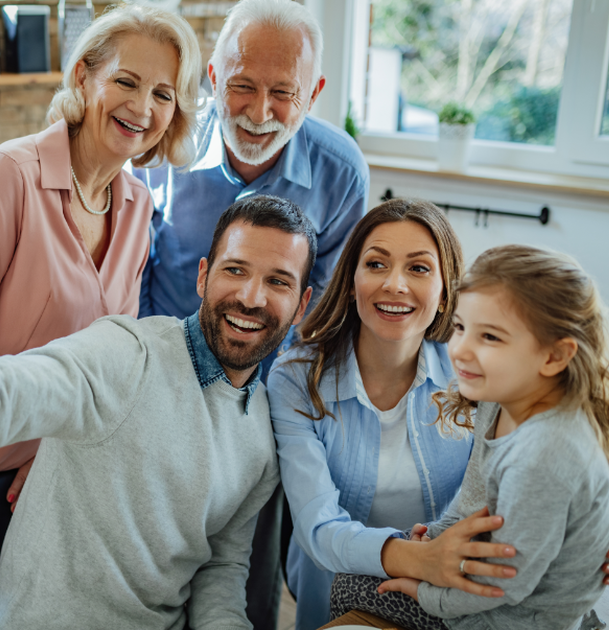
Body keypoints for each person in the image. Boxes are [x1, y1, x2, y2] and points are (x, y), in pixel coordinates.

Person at [0, 195, 316, 629]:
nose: (252, 297)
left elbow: (220, 568)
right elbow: (4, 394)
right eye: (236, 270)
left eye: (278, 281)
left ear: (301, 304)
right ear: (204, 276)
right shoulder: (127, 354)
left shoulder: (261, 440)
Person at [0, 5, 201, 628]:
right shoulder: (11, 175)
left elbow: (110, 357)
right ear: (84, 78)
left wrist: (52, 454)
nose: (142, 106)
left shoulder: (134, 204)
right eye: (126, 81)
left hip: (42, 471)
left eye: (163, 93)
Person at [269, 200, 609, 629]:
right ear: (351, 281)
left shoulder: (483, 375)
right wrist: (420, 559)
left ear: (446, 295)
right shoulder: (297, 379)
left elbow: (573, 475)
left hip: (465, 576)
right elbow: (318, 526)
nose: (395, 284)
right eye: (376, 264)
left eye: (419, 269)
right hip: (350, 575)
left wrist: (605, 529)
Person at [131, 1, 369, 623]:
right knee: (152, 573)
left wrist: (258, 411)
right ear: (213, 78)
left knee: (241, 582)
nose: (260, 114)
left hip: (265, 403)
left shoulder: (341, 173)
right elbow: (135, 280)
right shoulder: (159, 147)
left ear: (313, 93)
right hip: (160, 389)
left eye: (283, 93)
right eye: (242, 86)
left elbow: (323, 313)